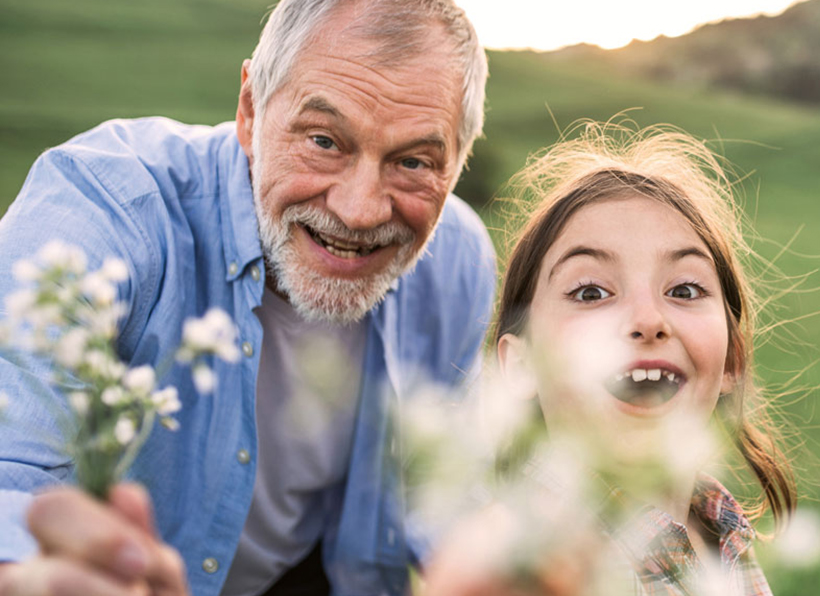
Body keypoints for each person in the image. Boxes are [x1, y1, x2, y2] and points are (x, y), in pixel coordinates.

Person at [0, 0, 496, 594]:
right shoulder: (103, 208)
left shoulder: (459, 259)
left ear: (458, 163)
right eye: (324, 140)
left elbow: (440, 489)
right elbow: (10, 476)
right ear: (250, 111)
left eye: (413, 160)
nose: (359, 210)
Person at [422, 122, 795, 596]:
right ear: (521, 367)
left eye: (684, 289)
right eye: (591, 292)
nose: (647, 319)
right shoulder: (520, 562)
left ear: (731, 363)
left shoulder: (721, 531)